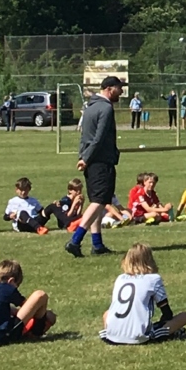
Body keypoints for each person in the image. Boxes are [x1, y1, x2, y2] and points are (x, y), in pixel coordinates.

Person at [66, 75, 125, 258]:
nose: (121, 92)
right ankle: (75, 241)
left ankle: (97, 244)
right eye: (119, 88)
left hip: (91, 161)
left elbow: (84, 137)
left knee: (97, 202)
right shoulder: (106, 108)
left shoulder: (90, 107)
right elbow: (98, 138)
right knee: (99, 201)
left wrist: (83, 157)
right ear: (109, 88)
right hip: (100, 161)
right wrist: (87, 158)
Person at [100, 242, 186, 345]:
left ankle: (118, 332)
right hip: (138, 337)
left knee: (107, 313)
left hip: (111, 336)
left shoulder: (120, 278)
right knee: (184, 317)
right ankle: (166, 333)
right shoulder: (154, 279)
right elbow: (167, 313)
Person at [0, 259, 55, 344]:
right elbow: (29, 307)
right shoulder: (6, 288)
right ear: (11, 281)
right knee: (40, 295)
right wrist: (45, 315)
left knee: (8, 308)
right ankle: (37, 332)